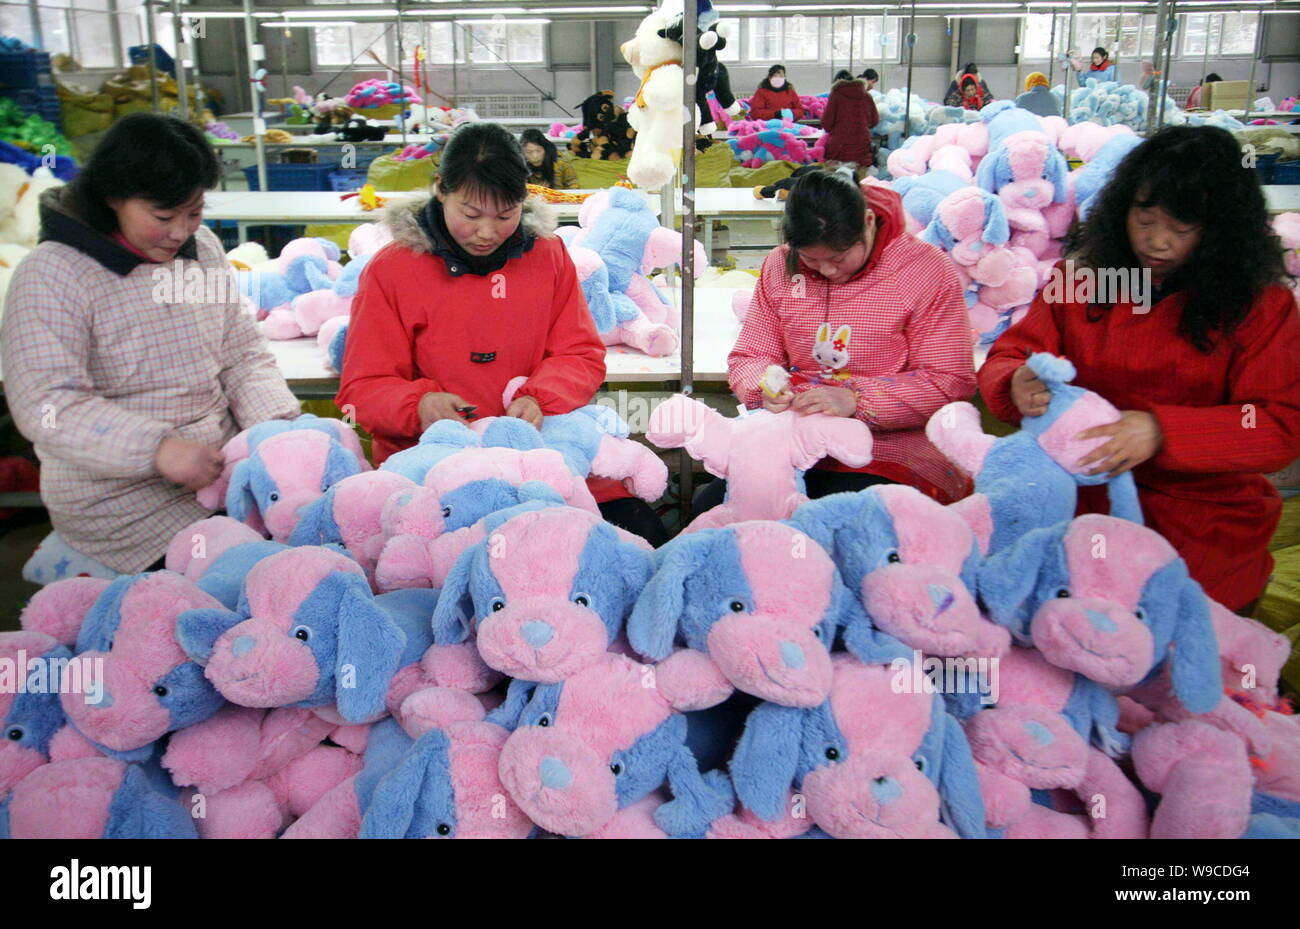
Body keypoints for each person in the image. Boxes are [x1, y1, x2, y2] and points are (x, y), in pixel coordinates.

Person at [979, 126, 1300, 616]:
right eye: (1145, 219)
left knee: (1170, 635)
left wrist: (1160, 432)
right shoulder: (1088, 282)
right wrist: (1015, 380)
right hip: (1078, 495)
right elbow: (1010, 354)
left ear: (1221, 229)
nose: (1158, 243)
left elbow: (1278, 423)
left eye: (1182, 228)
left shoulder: (1260, 305)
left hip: (1201, 515)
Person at [336, 122, 667, 545]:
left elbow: (580, 354)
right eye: (470, 215)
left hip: (538, 457)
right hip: (433, 473)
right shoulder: (393, 269)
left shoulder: (547, 257)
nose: (487, 232)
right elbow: (360, 390)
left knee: (638, 535)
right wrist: (418, 405)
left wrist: (538, 396)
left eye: (505, 215)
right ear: (441, 189)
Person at [0, 112, 300, 574]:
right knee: (253, 582)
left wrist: (278, 432)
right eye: (162, 216)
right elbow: (49, 404)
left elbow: (241, 352)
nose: (181, 231)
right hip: (124, 504)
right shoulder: (53, 274)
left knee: (319, 532)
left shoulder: (201, 249)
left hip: (222, 468)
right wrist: (158, 450)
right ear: (112, 198)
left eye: (195, 212)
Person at [701, 170, 977, 512]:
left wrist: (857, 400)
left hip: (888, 448)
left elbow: (948, 380)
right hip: (790, 439)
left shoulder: (925, 270)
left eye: (838, 257)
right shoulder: (781, 265)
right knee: (717, 508)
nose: (827, 271)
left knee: (837, 517)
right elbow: (751, 354)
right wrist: (764, 386)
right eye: (812, 260)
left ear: (867, 222)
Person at [821, 69, 878, 168]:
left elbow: (827, 124)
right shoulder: (866, 95)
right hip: (862, 148)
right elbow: (874, 120)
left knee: (836, 180)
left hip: (839, 149)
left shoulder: (835, 95)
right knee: (859, 180)